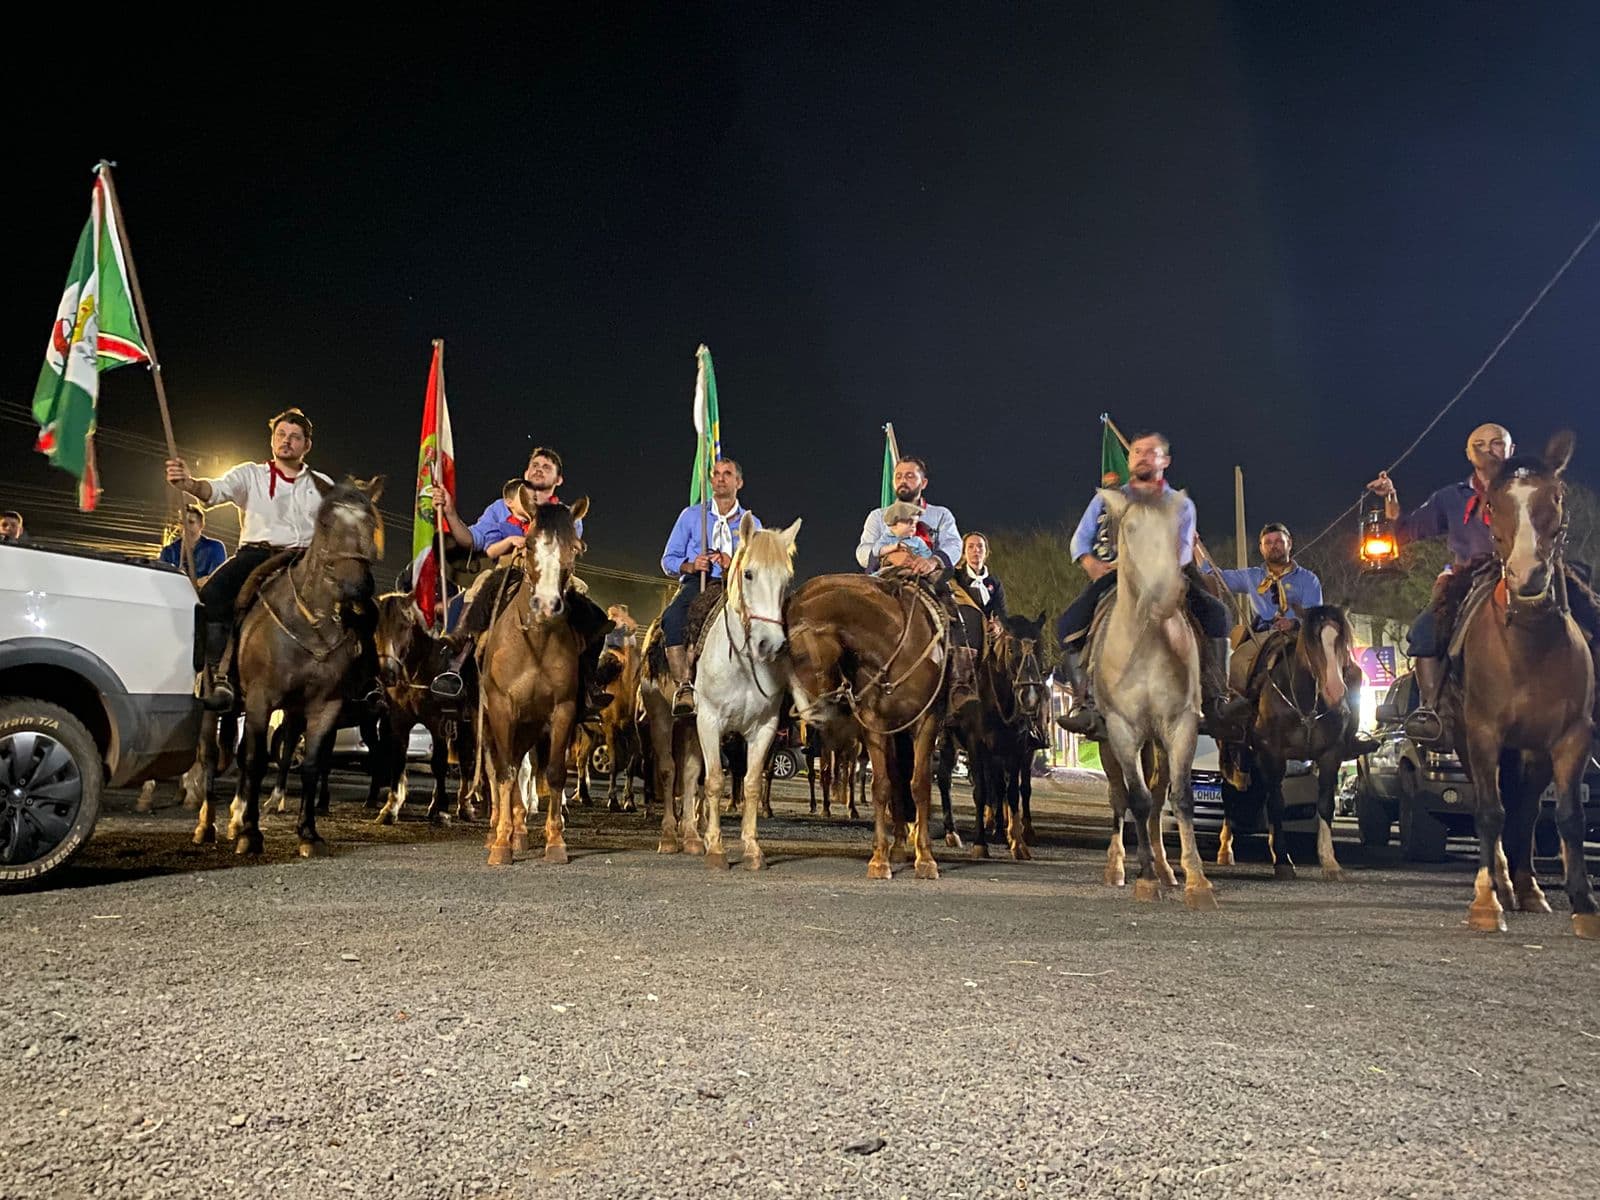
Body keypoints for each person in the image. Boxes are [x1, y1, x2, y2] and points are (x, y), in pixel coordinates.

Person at [1366, 421, 1600, 742]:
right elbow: (1405, 530)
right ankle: (1432, 710)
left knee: (1592, 616)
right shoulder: (1451, 497)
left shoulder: (1533, 488)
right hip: (1472, 576)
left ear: (1511, 450)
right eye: (1480, 444)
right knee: (1423, 634)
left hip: (1533, 570)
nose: (1489, 449)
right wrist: (1391, 496)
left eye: (1497, 443)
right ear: (1468, 454)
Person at [1054, 431, 1247, 741]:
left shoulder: (1178, 503)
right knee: (1067, 625)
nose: (1142, 456)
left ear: (1165, 461)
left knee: (1219, 616)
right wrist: (1091, 564)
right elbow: (1080, 538)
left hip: (1167, 577)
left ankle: (1215, 698)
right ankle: (1085, 703)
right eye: (1137, 451)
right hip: (1114, 577)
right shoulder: (1107, 499)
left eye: (1151, 452)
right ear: (1130, 460)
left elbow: (1184, 550)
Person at [165, 408, 334, 707]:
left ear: (306, 445)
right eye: (281, 435)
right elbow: (214, 490)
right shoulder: (251, 474)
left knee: (359, 600)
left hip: (307, 562)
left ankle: (364, 683)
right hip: (257, 555)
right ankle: (219, 676)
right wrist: (190, 484)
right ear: (272, 441)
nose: (286, 441)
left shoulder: (323, 484)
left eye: (295, 437)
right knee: (213, 595)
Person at [431, 449, 609, 707]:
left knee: (593, 612)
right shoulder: (500, 508)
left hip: (548, 575)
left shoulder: (563, 513)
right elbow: (472, 539)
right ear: (526, 473)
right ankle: (454, 669)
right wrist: (448, 511)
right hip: (506, 572)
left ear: (558, 479)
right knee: (474, 591)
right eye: (534, 465)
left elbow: (565, 547)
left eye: (547, 467)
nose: (539, 468)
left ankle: (587, 683)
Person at [854, 455, 977, 710]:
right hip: (885, 580)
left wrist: (933, 561)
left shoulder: (940, 515)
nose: (903, 480)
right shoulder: (878, 517)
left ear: (924, 482)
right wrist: (888, 552)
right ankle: (850, 689)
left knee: (965, 616)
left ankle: (960, 684)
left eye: (910, 475)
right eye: (899, 476)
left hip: (928, 579)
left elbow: (954, 545)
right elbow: (862, 550)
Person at [659, 457, 760, 716]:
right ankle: (683, 685)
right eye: (715, 474)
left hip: (736, 585)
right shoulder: (692, 516)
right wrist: (691, 565)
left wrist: (733, 563)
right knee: (672, 617)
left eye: (727, 474)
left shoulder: (752, 523)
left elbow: (758, 565)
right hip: (700, 583)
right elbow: (668, 559)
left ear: (739, 482)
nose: (720, 478)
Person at [953, 531, 1007, 629]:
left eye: (980, 546)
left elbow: (1001, 613)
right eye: (970, 546)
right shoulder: (955, 577)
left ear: (986, 551)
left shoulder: (995, 582)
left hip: (988, 639)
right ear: (964, 553)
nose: (976, 550)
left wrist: (997, 626)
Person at [158, 504, 228, 580]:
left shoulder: (215, 548)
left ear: (201, 525)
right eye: (182, 522)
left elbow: (216, 580)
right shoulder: (168, 552)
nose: (186, 526)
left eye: (191, 522)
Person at [872, 502, 938, 572]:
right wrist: (896, 547)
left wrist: (920, 560)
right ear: (893, 525)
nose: (913, 526)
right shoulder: (886, 538)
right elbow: (876, 551)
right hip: (891, 569)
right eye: (909, 522)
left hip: (915, 569)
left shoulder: (917, 541)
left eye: (915, 524)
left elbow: (927, 555)